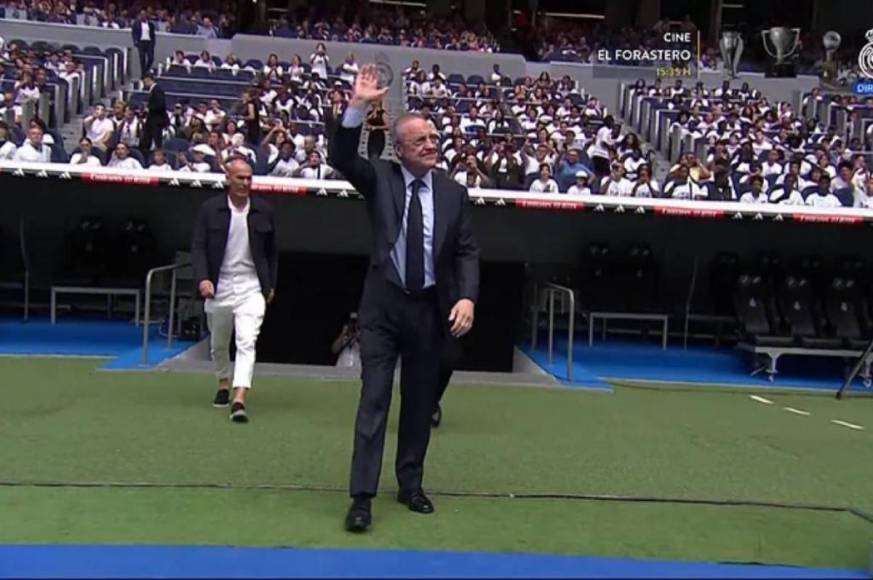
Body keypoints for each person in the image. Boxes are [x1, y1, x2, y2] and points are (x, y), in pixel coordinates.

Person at [329, 64, 480, 533]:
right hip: (382, 309)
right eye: (421, 141)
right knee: (375, 399)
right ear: (399, 149)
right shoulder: (380, 178)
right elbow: (342, 158)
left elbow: (467, 250)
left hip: (429, 310)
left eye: (434, 138)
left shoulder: (454, 193)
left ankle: (410, 484)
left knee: (418, 403)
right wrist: (358, 105)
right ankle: (361, 496)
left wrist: (468, 298)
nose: (432, 145)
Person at [190, 157, 278, 423]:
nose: (245, 183)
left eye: (249, 178)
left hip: (251, 284)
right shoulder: (210, 209)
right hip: (220, 285)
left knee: (246, 340)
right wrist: (203, 278)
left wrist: (270, 283)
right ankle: (223, 382)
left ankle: (240, 398)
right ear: (228, 178)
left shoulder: (263, 210)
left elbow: (272, 251)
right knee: (218, 343)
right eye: (240, 177)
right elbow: (198, 246)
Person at [140, 72, 167, 151]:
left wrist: (149, 108)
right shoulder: (154, 90)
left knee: (156, 141)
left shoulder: (157, 90)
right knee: (146, 140)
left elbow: (160, 104)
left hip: (156, 120)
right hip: (152, 120)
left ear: (148, 80)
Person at [131, 10, 156, 77]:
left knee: (151, 57)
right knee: (142, 58)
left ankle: (146, 70)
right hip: (141, 42)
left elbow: (153, 35)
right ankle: (143, 74)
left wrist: (153, 43)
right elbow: (133, 33)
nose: (143, 16)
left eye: (144, 15)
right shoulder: (137, 24)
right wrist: (135, 41)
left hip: (149, 42)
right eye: (141, 15)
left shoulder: (151, 25)